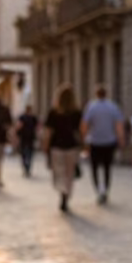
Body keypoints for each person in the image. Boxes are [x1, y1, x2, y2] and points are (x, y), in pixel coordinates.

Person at [81, 83, 125, 204]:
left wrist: (84, 140)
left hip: (95, 141)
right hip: (109, 141)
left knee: (94, 167)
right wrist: (121, 140)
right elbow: (119, 126)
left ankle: (98, 189)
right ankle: (105, 189)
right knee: (107, 167)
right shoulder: (113, 107)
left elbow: (84, 125)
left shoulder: (91, 107)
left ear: (96, 94)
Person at [42, 85, 83, 213]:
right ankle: (66, 195)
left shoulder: (53, 113)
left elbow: (48, 132)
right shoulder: (76, 113)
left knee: (58, 172)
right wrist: (83, 145)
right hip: (71, 146)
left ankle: (62, 192)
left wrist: (46, 146)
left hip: (57, 146)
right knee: (69, 174)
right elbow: (79, 132)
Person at [16, 105, 38, 177]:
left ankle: (25, 166)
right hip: (30, 138)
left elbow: (19, 126)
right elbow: (37, 127)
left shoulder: (22, 117)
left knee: (24, 153)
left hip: (24, 138)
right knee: (29, 154)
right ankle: (27, 167)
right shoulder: (33, 118)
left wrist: (16, 133)